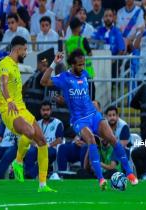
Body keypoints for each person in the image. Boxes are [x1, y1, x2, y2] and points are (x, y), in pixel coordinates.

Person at [40, 49, 138, 190]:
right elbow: (43, 81)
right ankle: (101, 179)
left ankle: (129, 173)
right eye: (79, 65)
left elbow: (78, 96)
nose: (82, 67)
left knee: (112, 138)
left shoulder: (85, 74)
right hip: (79, 120)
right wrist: (54, 62)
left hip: (93, 115)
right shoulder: (64, 77)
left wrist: (66, 100)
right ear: (72, 65)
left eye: (83, 64)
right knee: (91, 140)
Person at [0, 36, 56, 192]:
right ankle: (18, 161)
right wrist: (8, 100)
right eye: (25, 49)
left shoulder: (16, 65)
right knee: (29, 132)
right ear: (18, 49)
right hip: (8, 109)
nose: (26, 52)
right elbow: (3, 83)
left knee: (42, 141)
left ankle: (43, 185)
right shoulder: (5, 63)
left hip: (21, 108)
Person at [24, 101, 64, 179]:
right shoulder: (37, 123)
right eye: (43, 110)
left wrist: (48, 145)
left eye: (47, 110)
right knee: (30, 152)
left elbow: (59, 140)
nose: (45, 112)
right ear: (40, 111)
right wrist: (35, 144)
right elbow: (31, 138)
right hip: (38, 148)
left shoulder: (57, 123)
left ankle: (30, 176)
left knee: (47, 153)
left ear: (51, 111)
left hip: (51, 148)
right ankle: (29, 174)